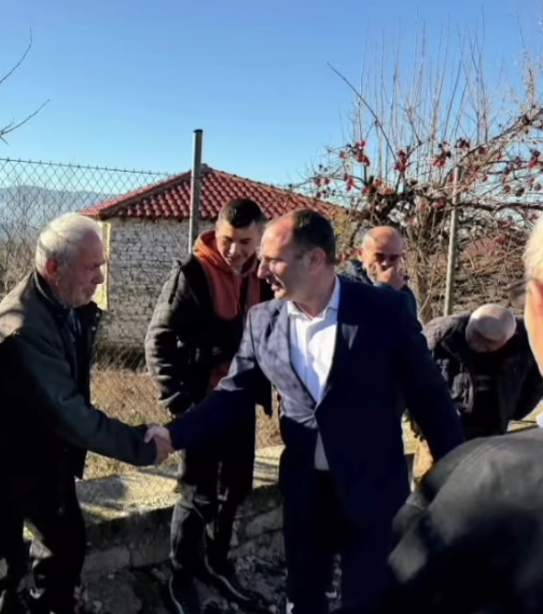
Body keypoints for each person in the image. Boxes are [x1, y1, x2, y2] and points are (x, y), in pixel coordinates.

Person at [146, 209, 464, 614]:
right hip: (305, 497)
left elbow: (430, 397)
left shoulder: (383, 311)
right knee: (303, 602)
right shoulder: (262, 320)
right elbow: (232, 394)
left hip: (373, 494)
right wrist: (173, 435)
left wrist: (461, 477)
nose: (260, 270)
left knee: (369, 602)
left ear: (315, 259)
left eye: (272, 260)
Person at [0, 213, 168, 614]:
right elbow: (71, 414)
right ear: (54, 267)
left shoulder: (62, 302)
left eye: (101, 265)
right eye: (92, 267)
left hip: (39, 451)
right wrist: (142, 446)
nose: (101, 278)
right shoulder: (23, 327)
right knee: (2, 577)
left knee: (66, 545)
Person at [330, 218, 543, 614]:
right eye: (381, 257)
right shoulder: (355, 297)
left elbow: (532, 383)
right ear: (360, 255)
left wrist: (513, 410)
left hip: (484, 433)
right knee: (421, 516)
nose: (391, 265)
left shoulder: (513, 344)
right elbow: (407, 374)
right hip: (391, 436)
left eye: (397, 257)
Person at [144, 199, 273, 613]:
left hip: (241, 401)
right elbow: (158, 340)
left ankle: (216, 562)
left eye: (245, 242)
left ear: (259, 238)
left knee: (236, 488)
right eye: (227, 240)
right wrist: (179, 402)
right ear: (216, 232)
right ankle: (181, 577)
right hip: (201, 402)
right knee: (197, 494)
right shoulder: (192, 273)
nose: (234, 250)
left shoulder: (262, 275)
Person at [424, 303, 543, 440]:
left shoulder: (527, 343)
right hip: (445, 422)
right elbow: (416, 375)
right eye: (473, 335)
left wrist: (514, 410)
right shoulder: (441, 335)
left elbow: (537, 381)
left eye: (487, 344)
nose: (477, 343)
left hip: (493, 424)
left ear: (507, 339)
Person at [341, 226, 418, 318]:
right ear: (361, 254)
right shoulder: (343, 287)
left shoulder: (403, 291)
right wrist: (385, 290)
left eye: (393, 258)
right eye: (379, 257)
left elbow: (408, 325)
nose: (385, 263)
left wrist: (397, 292)